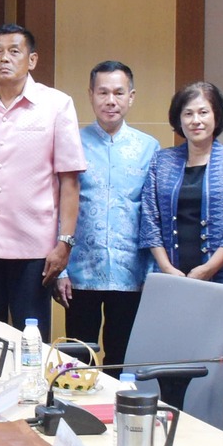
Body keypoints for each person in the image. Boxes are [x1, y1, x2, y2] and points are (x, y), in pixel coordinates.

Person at [0, 25, 87, 330]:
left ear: (32, 60)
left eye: (14, 51)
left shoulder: (57, 104)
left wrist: (65, 243)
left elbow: (69, 181)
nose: (5, 58)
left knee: (31, 338)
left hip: (35, 248)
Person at [58, 61, 159, 366]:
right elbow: (56, 206)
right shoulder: (72, 143)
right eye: (103, 92)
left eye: (118, 92)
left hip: (132, 272)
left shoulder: (149, 147)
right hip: (80, 272)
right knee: (78, 358)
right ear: (90, 95)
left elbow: (154, 214)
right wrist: (60, 270)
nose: (110, 101)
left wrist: (153, 272)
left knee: (122, 358)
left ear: (131, 96)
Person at [139, 81, 223, 291]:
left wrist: (208, 269)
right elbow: (149, 218)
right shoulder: (161, 161)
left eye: (203, 112)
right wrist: (166, 268)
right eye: (188, 114)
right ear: (179, 119)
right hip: (170, 278)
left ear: (216, 116)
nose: (196, 120)